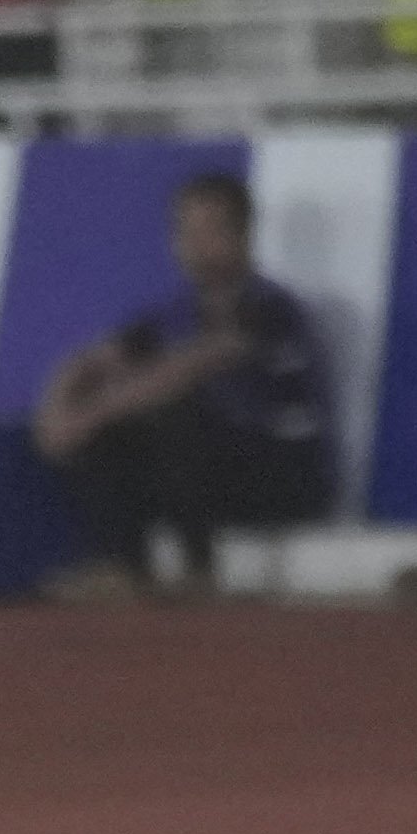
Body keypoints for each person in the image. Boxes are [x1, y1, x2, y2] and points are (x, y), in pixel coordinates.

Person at [31, 167, 335, 594]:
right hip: (211, 469)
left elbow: (187, 369)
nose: (193, 245)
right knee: (110, 433)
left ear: (242, 235)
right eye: (184, 230)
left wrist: (90, 415)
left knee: (175, 412)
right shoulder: (171, 314)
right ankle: (125, 565)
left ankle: (199, 567)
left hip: (279, 471)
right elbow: (91, 361)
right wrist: (58, 406)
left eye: (208, 231)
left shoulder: (267, 308)